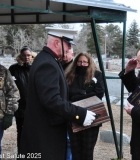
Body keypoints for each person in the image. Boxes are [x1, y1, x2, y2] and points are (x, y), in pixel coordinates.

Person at [20, 27, 96, 160]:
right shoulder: (47, 64)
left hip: (45, 132)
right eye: (68, 44)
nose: (69, 48)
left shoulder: (49, 60)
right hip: (45, 135)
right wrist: (80, 115)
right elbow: (52, 100)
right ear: (56, 43)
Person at [65, 52, 105, 160]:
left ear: (89, 62)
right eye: (79, 61)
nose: (82, 64)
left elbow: (99, 94)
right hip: (74, 115)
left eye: (84, 62)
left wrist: (77, 96)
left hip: (91, 116)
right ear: (75, 62)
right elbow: (67, 94)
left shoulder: (97, 74)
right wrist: (84, 94)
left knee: (87, 151)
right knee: (75, 150)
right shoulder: (69, 75)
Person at [8, 46, 36, 155]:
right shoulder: (14, 69)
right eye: (24, 55)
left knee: (34, 133)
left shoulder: (36, 67)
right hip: (20, 107)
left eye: (28, 55)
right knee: (21, 131)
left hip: (34, 107)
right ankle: (22, 154)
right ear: (20, 56)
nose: (26, 57)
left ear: (32, 55)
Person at [62, 48, 74, 160]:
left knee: (69, 140)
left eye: (67, 53)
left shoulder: (74, 69)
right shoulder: (58, 65)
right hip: (60, 106)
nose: (64, 55)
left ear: (72, 54)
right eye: (64, 52)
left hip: (71, 106)